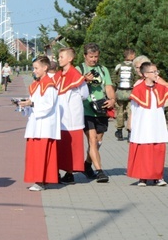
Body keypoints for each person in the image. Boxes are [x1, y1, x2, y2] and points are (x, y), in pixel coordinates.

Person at [17, 57, 60, 191]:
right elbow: (33, 102)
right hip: (35, 124)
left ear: (45, 68)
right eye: (33, 68)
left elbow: (48, 105)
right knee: (34, 154)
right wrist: (25, 104)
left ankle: (41, 180)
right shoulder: (36, 85)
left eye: (36, 68)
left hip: (44, 125)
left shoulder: (49, 85)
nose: (34, 71)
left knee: (41, 154)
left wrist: (32, 104)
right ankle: (39, 179)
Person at [127, 62, 168, 186]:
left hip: (157, 123)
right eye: (153, 72)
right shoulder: (138, 89)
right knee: (144, 150)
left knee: (158, 149)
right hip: (143, 124)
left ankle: (158, 177)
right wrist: (130, 121)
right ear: (145, 74)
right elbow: (133, 108)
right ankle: (143, 177)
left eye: (157, 71)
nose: (156, 74)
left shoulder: (161, 89)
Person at [80, 43, 115, 183]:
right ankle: (100, 171)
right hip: (86, 109)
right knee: (92, 140)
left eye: (96, 57)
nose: (94, 59)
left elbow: (108, 86)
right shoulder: (79, 69)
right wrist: (84, 80)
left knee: (98, 141)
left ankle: (87, 165)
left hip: (101, 109)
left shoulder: (103, 69)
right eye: (91, 57)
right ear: (84, 56)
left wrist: (112, 99)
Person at [53, 48, 89, 184]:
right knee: (59, 145)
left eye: (61, 57)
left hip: (72, 116)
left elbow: (84, 94)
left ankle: (69, 172)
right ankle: (56, 171)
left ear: (70, 58)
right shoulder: (58, 75)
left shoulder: (76, 75)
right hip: (59, 116)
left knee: (71, 145)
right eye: (59, 56)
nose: (59, 59)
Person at [113, 48, 137, 141]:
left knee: (120, 112)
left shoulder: (119, 66)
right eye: (133, 55)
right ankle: (130, 133)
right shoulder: (134, 66)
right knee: (131, 112)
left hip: (119, 92)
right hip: (131, 92)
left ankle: (119, 132)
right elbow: (136, 79)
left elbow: (114, 78)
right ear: (130, 56)